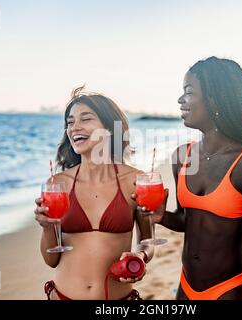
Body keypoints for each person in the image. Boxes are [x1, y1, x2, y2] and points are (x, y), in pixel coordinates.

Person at [139, 57, 242, 300]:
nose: (181, 100)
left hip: (228, 291)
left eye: (189, 92)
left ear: (215, 99)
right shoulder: (183, 156)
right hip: (185, 287)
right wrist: (162, 217)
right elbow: (187, 221)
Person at [34, 86, 153, 300]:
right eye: (70, 122)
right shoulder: (58, 184)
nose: (74, 127)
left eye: (85, 119)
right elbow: (51, 260)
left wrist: (141, 257)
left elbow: (148, 240)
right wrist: (46, 227)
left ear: (109, 128)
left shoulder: (135, 181)